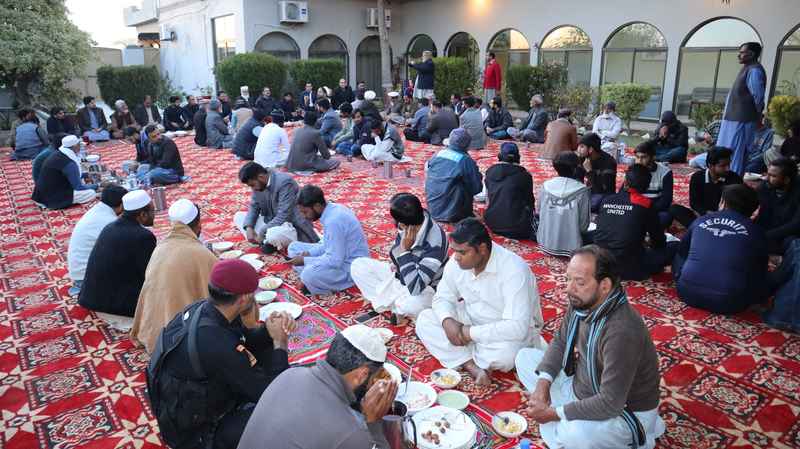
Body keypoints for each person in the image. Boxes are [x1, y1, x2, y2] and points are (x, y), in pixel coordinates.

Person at [515, 245, 665, 449]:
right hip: (580, 388)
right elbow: (560, 341)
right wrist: (543, 387)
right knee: (523, 357)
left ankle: (641, 435)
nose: (569, 288)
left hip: (623, 410)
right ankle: (567, 419)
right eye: (568, 279)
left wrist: (554, 414)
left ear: (605, 285)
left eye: (579, 282)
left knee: (575, 436)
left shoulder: (622, 330)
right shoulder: (582, 302)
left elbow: (611, 403)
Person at [147, 259, 295, 449]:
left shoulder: (207, 309)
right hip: (198, 434)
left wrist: (269, 330)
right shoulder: (217, 343)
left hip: (188, 401)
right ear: (243, 299)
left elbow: (244, 338)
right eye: (253, 293)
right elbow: (271, 394)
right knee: (281, 412)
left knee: (267, 351)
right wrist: (280, 342)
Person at [416, 218, 544, 386]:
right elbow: (442, 298)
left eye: (462, 252)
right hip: (471, 319)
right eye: (454, 251)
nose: (456, 257)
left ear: (482, 249)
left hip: (505, 330)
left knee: (507, 357)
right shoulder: (457, 264)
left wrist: (468, 333)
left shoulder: (514, 270)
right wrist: (448, 322)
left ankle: (465, 352)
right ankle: (471, 365)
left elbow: (517, 327)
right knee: (425, 319)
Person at [237, 325, 397, 449]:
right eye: (373, 379)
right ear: (362, 375)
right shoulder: (350, 430)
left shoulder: (290, 375)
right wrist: (372, 423)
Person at [131, 199, 217, 352]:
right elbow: (218, 297)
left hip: (153, 332)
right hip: (180, 339)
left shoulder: (160, 247)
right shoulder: (201, 254)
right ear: (198, 224)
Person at [672, 185, 767, 314]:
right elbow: (760, 270)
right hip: (730, 303)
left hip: (686, 293)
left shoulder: (700, 220)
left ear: (723, 203)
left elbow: (682, 252)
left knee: (677, 250)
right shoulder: (756, 231)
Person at [351, 193, 448, 320]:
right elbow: (397, 261)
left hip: (426, 288)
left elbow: (417, 287)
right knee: (358, 266)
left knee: (413, 305)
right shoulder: (412, 222)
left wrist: (404, 251)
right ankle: (396, 307)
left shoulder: (435, 242)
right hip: (401, 275)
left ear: (402, 223)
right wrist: (400, 260)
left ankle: (393, 304)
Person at [78, 190, 156, 318]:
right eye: (152, 211)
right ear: (142, 215)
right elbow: (150, 274)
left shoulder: (109, 227)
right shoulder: (143, 236)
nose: (154, 215)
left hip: (92, 298)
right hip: (116, 306)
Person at [593, 165, 676, 281]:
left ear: (625, 183)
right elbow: (658, 242)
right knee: (675, 247)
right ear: (646, 187)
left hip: (600, 262)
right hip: (630, 268)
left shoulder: (607, 200)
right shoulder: (645, 204)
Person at [286, 185, 369, 295]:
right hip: (339, 255)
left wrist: (304, 260)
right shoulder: (333, 209)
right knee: (294, 247)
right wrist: (310, 253)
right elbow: (327, 245)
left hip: (351, 267)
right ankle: (314, 279)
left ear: (317, 206)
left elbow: (335, 260)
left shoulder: (333, 221)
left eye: (305, 212)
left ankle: (321, 285)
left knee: (308, 274)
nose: (303, 216)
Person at [235, 162, 319, 254]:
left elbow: (283, 215)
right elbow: (254, 206)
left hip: (290, 225)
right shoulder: (259, 185)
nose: (253, 189)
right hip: (271, 222)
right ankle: (266, 242)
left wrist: (263, 231)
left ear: (261, 177)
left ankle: (268, 241)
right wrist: (249, 227)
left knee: (273, 234)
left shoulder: (284, 182)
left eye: (252, 185)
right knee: (238, 217)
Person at [66, 184, 127, 296]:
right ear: (122, 205)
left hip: (80, 274)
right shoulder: (108, 221)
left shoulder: (98, 211)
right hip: (87, 278)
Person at [717, 42, 766, 175]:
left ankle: (734, 182)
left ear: (751, 54)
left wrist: (757, 117)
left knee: (737, 152)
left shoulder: (755, 70)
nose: (739, 55)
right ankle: (724, 178)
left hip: (743, 120)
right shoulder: (747, 68)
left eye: (742, 52)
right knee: (726, 151)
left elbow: (758, 97)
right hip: (733, 118)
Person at [668, 147, 742, 229]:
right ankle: (700, 228)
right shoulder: (697, 177)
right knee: (674, 209)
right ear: (711, 166)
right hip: (704, 216)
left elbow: (738, 207)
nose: (728, 168)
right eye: (723, 166)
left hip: (725, 219)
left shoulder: (734, 179)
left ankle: (700, 229)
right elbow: (694, 203)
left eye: (728, 164)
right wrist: (706, 212)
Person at [538, 152, 591, 256]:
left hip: (545, 243)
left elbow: (540, 213)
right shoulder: (582, 190)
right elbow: (584, 226)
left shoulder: (546, 186)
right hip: (572, 247)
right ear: (575, 169)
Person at [425, 128, 483, 223]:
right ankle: (464, 214)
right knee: (468, 180)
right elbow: (476, 188)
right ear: (467, 144)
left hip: (432, 208)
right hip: (453, 214)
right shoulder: (465, 160)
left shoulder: (438, 154)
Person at [484, 142, 536, 239]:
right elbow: (530, 202)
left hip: (492, 222)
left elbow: (488, 199)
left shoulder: (490, 171)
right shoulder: (525, 175)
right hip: (517, 227)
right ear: (518, 157)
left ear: (500, 156)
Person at [32, 135, 97, 209]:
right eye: (80, 145)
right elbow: (79, 187)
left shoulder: (59, 153)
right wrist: (97, 186)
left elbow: (71, 175)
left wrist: (87, 175)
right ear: (75, 146)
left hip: (40, 195)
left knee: (85, 184)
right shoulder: (69, 163)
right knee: (91, 193)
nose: (80, 147)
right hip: (51, 198)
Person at [756, 157, 800, 254]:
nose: (767, 178)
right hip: (766, 232)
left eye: (773, 176)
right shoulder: (765, 187)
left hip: (787, 235)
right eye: (768, 174)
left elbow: (796, 224)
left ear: (786, 180)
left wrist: (766, 235)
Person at [634, 141, 674, 228]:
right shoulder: (633, 170)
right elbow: (623, 194)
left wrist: (647, 210)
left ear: (653, 157)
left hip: (654, 209)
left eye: (643, 157)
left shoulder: (665, 173)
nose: (639, 161)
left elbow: (666, 200)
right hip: (636, 208)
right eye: (637, 157)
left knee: (665, 217)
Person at [575, 133, 617, 211]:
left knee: (593, 205)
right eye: (578, 146)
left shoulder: (609, 162)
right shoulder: (582, 158)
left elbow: (605, 189)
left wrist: (589, 172)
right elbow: (578, 179)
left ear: (590, 149)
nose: (578, 149)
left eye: (582, 147)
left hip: (604, 195)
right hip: (590, 191)